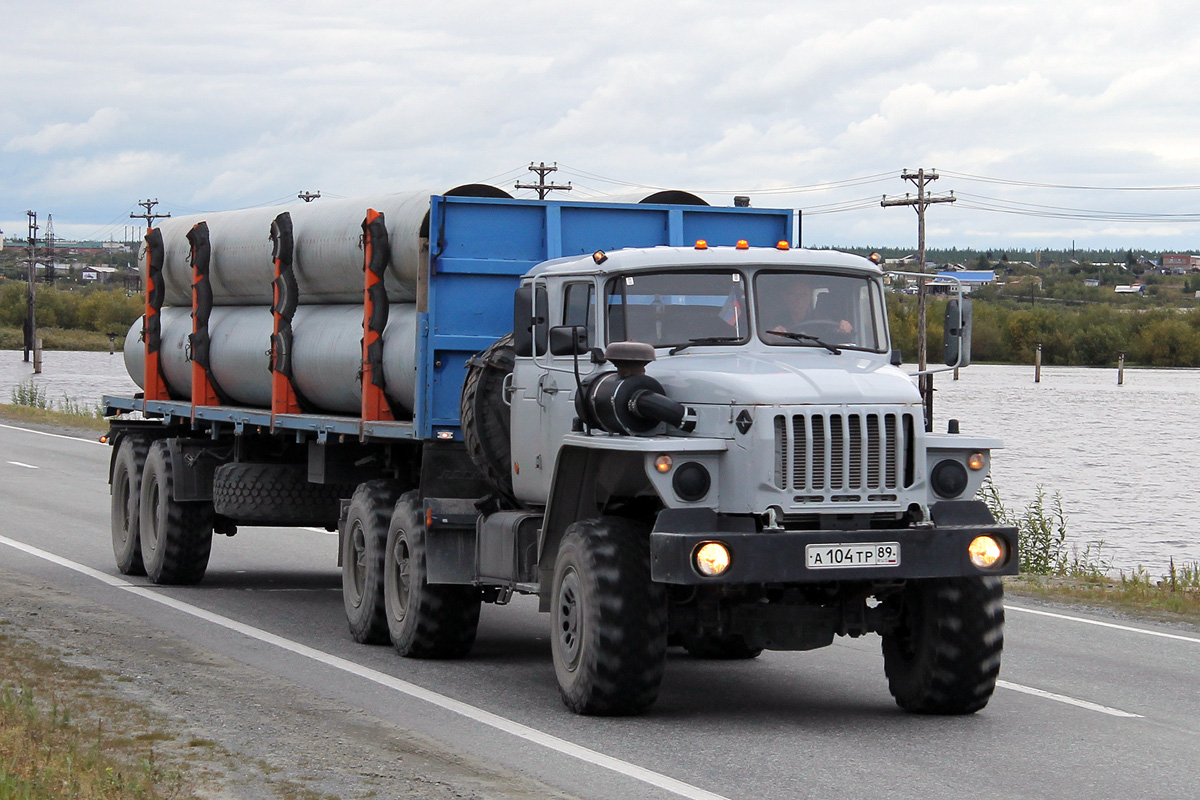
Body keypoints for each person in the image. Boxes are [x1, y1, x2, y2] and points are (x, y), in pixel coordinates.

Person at [758, 275, 852, 336]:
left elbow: (833, 339)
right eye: (793, 295)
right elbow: (762, 340)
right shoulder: (773, 319)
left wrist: (843, 330)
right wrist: (772, 336)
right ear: (786, 297)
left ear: (810, 298)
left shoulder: (821, 321)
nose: (798, 300)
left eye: (803, 295)